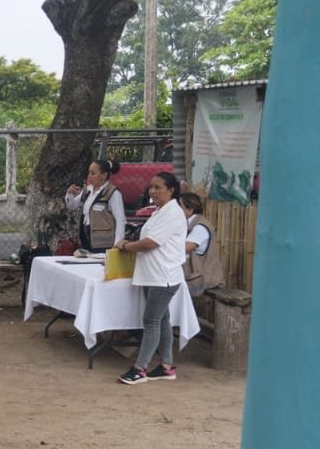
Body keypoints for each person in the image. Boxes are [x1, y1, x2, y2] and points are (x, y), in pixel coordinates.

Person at [115, 171, 188, 385]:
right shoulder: (160, 211)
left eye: (158, 188)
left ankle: (140, 368)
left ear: (171, 190)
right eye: (151, 187)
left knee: (151, 320)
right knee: (162, 320)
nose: (152, 191)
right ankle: (166, 366)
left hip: (163, 276)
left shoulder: (172, 213)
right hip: (154, 274)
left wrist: (125, 246)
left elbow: (150, 243)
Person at [65, 159, 126, 253]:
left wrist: (117, 243)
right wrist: (70, 194)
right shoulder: (88, 190)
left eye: (93, 173)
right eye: (89, 173)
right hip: (85, 241)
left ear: (104, 175)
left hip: (103, 244)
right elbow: (72, 206)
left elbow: (120, 219)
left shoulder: (113, 193)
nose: (89, 176)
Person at [179, 192, 225, 297]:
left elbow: (183, 248)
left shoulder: (200, 227)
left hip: (204, 279)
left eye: (180, 206)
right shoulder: (190, 224)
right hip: (194, 277)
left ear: (190, 210)